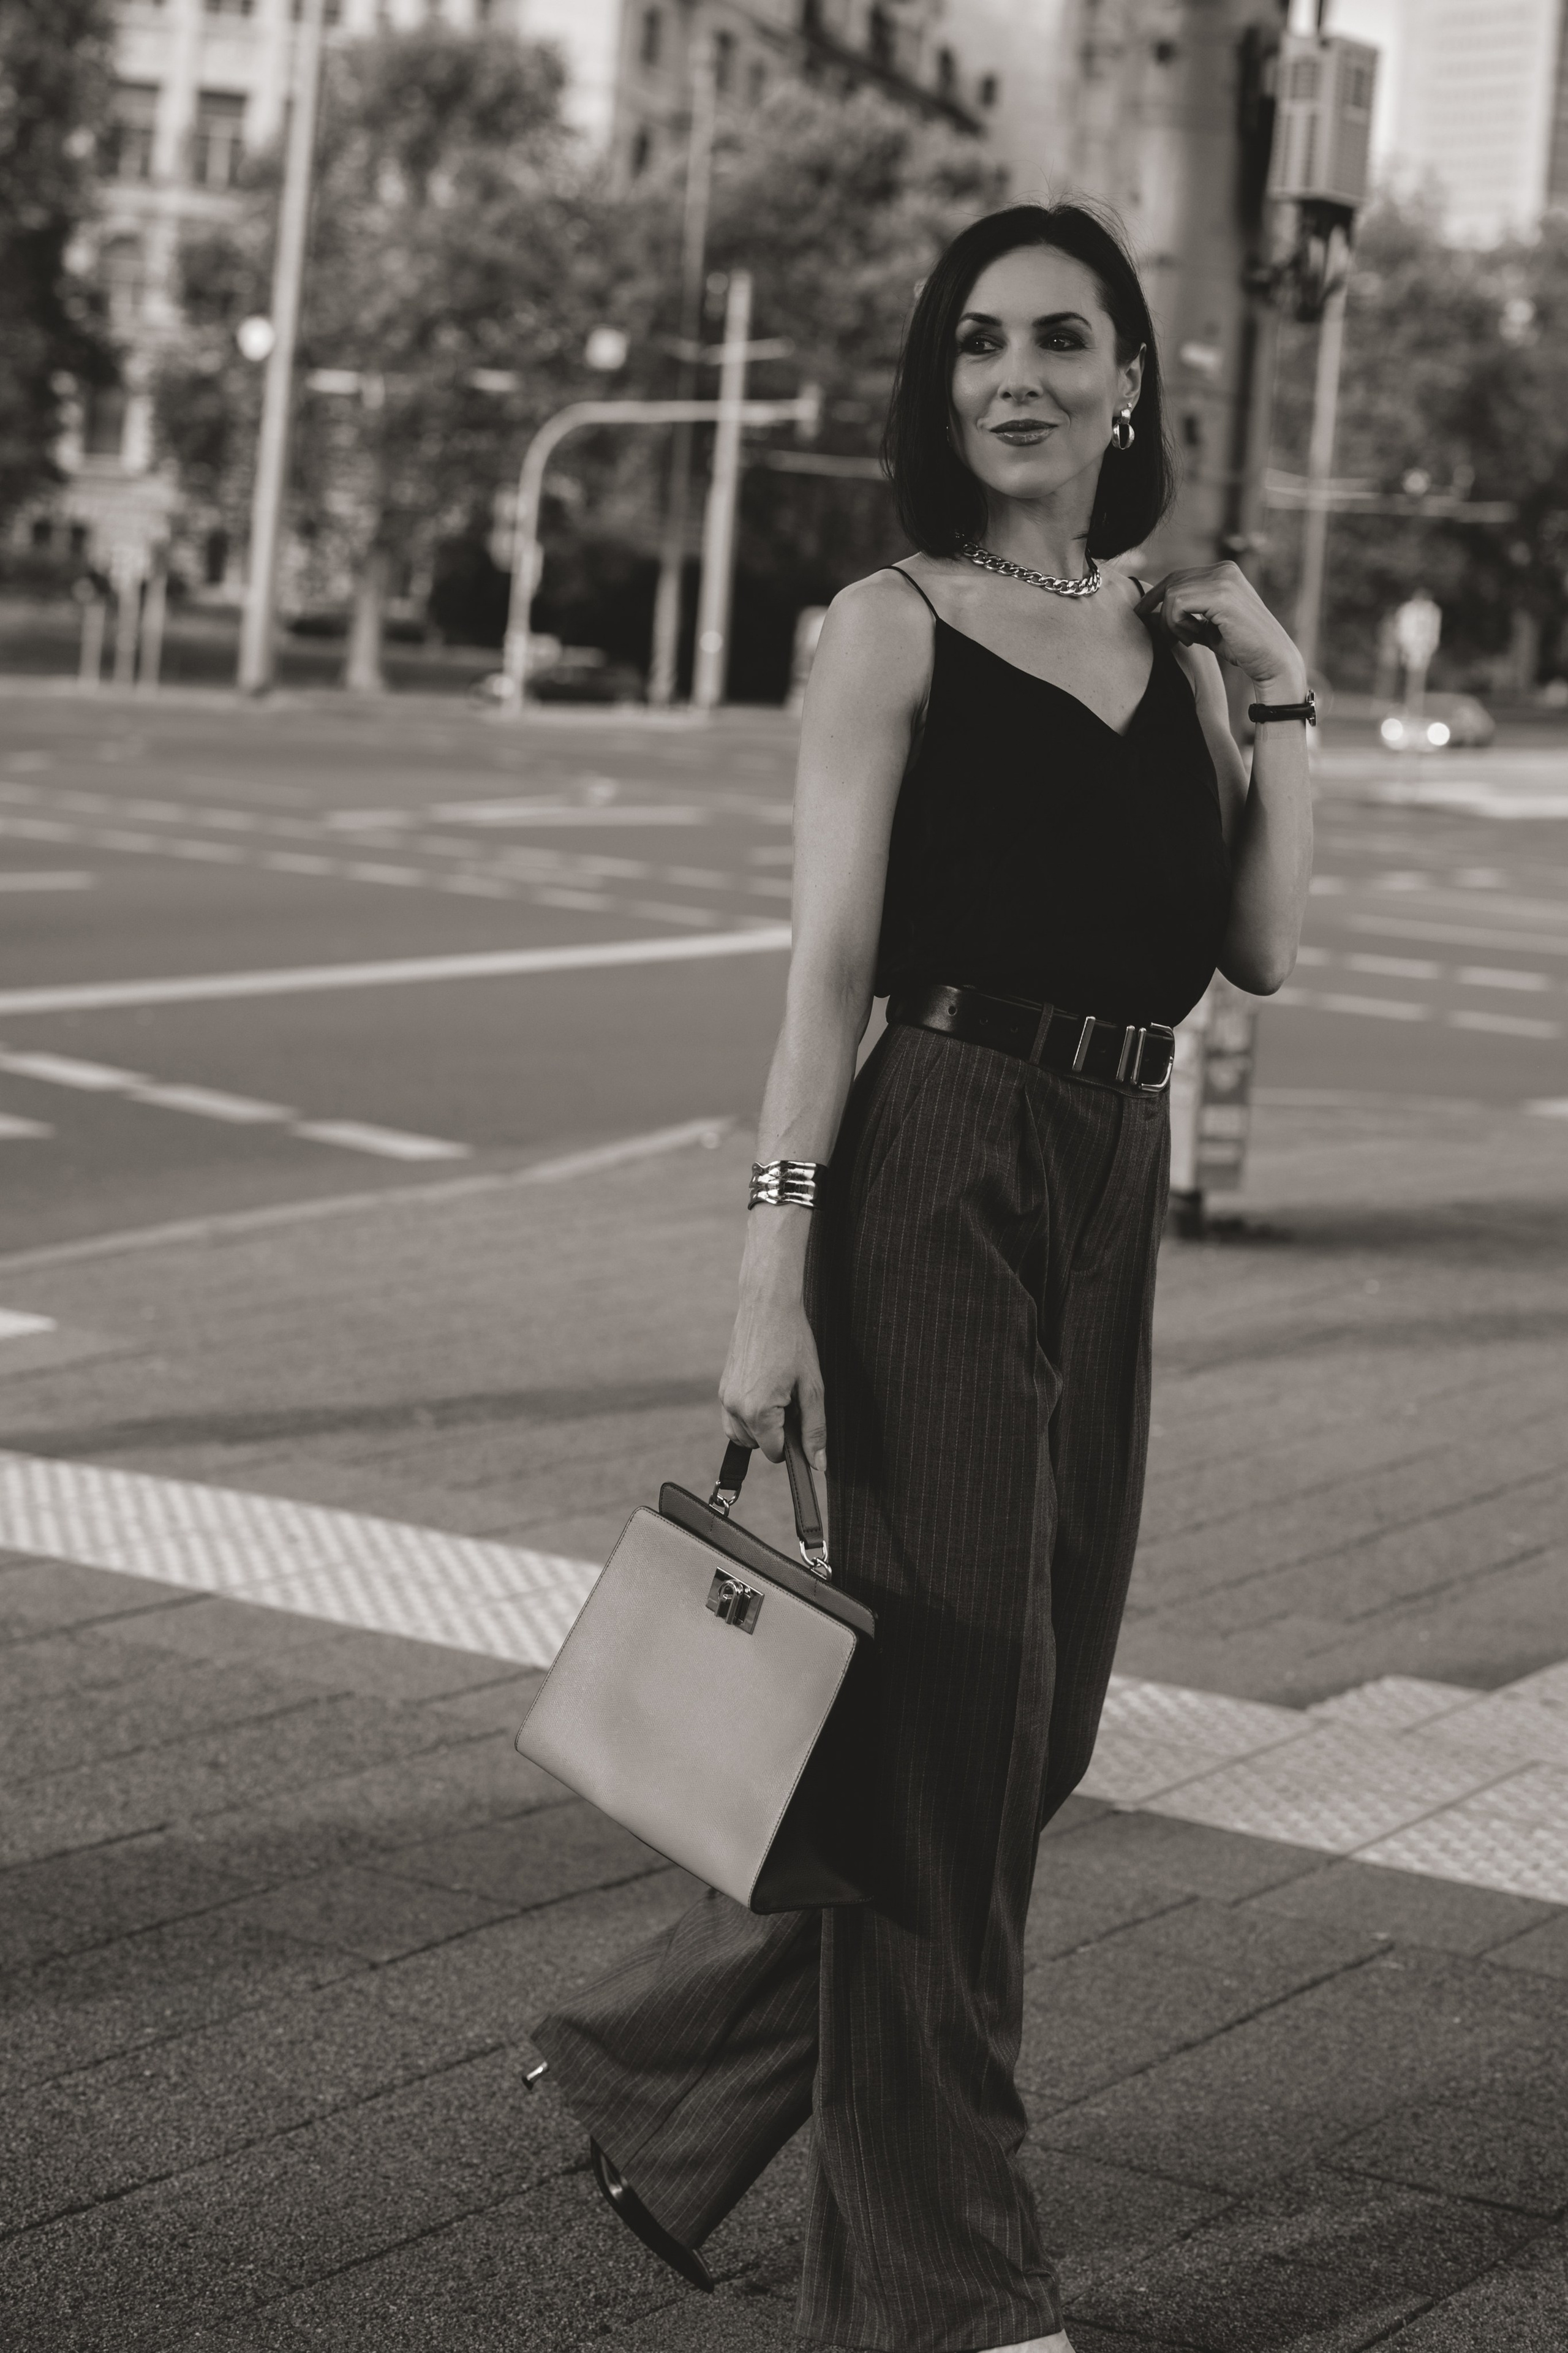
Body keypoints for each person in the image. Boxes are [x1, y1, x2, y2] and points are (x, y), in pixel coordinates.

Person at [530, 201, 1314, 2353]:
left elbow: (1258, 946)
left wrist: (1284, 686)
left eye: (1061, 340)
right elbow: (827, 978)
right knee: (958, 1750)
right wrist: (766, 1275)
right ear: (940, 383)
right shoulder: (889, 628)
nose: (1016, 379)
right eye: (978, 343)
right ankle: (951, 2291)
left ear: (1131, 382)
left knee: (1021, 1741)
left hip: (1113, 1167)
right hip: (937, 1159)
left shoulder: (1176, 646)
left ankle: (658, 2067)